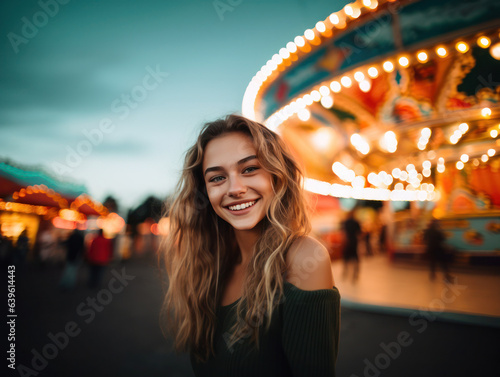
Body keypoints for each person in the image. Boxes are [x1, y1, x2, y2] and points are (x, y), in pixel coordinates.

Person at [162, 114, 340, 376]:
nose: (235, 188)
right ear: (205, 193)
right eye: (217, 178)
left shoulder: (303, 258)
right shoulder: (210, 264)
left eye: (249, 169)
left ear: (277, 176)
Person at [342, 210, 361, 282]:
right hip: (354, 241)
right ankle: (355, 273)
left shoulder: (346, 222)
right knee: (355, 257)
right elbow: (359, 232)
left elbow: (343, 232)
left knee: (346, 257)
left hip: (347, 241)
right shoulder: (356, 222)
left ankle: (345, 271)